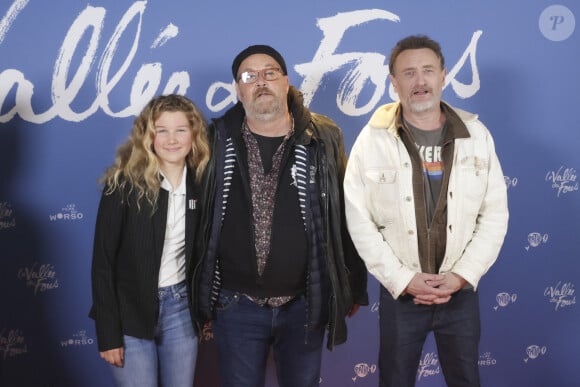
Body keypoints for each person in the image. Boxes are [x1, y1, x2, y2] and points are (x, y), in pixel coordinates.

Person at [195, 44, 368, 387]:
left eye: (269, 73)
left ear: (286, 81)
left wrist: (353, 283)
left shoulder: (324, 136)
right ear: (238, 88)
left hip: (305, 301)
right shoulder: (214, 140)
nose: (260, 81)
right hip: (235, 303)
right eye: (249, 76)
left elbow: (346, 211)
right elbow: (193, 220)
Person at [344, 35, 509, 387]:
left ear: (443, 75)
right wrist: (403, 280)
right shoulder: (372, 140)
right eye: (408, 73)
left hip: (460, 292)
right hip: (403, 294)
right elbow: (359, 219)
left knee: (466, 380)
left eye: (428, 71)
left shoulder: (476, 135)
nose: (420, 82)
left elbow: (494, 215)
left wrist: (462, 275)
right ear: (394, 82)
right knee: (395, 381)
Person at [89, 94, 210, 387]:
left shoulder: (203, 184)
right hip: (129, 314)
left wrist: (205, 311)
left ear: (194, 135)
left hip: (181, 311)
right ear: (148, 136)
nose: (172, 139)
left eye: (180, 129)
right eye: (162, 130)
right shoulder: (122, 185)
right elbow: (102, 265)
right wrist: (108, 334)